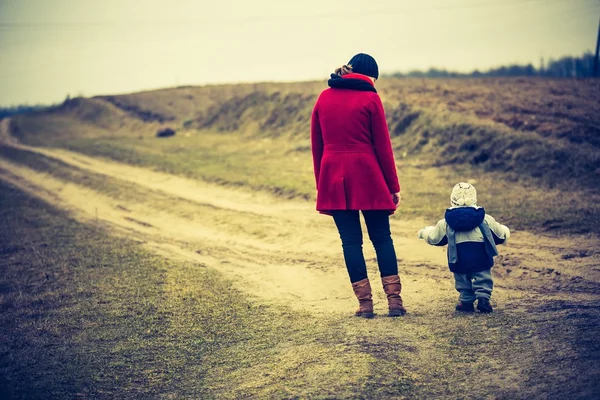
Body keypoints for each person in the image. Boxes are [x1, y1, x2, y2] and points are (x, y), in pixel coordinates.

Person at [311, 53, 406, 318]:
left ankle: (365, 306)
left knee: (350, 241)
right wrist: (392, 185)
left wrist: (322, 183)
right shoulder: (371, 98)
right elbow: (383, 147)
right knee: (382, 238)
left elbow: (316, 146)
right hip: (368, 175)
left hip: (333, 176)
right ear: (370, 76)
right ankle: (394, 302)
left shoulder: (323, 98)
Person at [418, 182, 510, 313]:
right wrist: (506, 232)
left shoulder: (446, 223)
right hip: (480, 256)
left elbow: (435, 238)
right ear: (474, 199)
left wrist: (424, 233)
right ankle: (484, 299)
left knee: (462, 279)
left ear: (452, 200)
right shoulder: (485, 219)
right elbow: (499, 235)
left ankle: (466, 301)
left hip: (459, 258)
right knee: (483, 276)